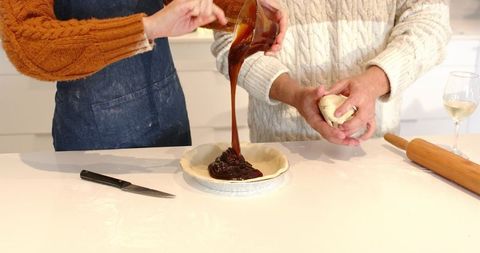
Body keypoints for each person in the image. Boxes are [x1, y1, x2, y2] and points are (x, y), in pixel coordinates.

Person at [0, 0, 285, 151]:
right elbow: (28, 44)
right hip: (93, 142)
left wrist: (246, 8)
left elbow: (186, 4)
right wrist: (146, 29)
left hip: (169, 124)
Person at [212, 0, 451, 146]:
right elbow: (229, 40)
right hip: (281, 149)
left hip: (374, 147)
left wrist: (375, 82)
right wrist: (294, 94)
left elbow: (432, 22)